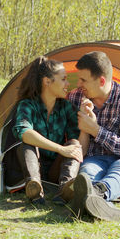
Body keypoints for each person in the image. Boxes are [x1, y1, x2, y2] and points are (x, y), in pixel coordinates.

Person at [67, 51, 120, 221]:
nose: (78, 84)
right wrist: (85, 127)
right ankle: (99, 204)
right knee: (86, 172)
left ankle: (96, 196)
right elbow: (81, 149)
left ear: (101, 81)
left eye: (83, 80)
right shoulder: (76, 97)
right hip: (95, 158)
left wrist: (96, 130)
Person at [12, 56, 84, 204]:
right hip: (31, 166)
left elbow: (75, 138)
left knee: (73, 144)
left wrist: (85, 116)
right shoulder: (27, 105)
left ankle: (65, 190)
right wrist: (60, 149)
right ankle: (35, 188)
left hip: (55, 170)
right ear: (47, 81)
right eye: (63, 79)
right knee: (26, 144)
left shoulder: (66, 107)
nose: (68, 83)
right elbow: (24, 133)